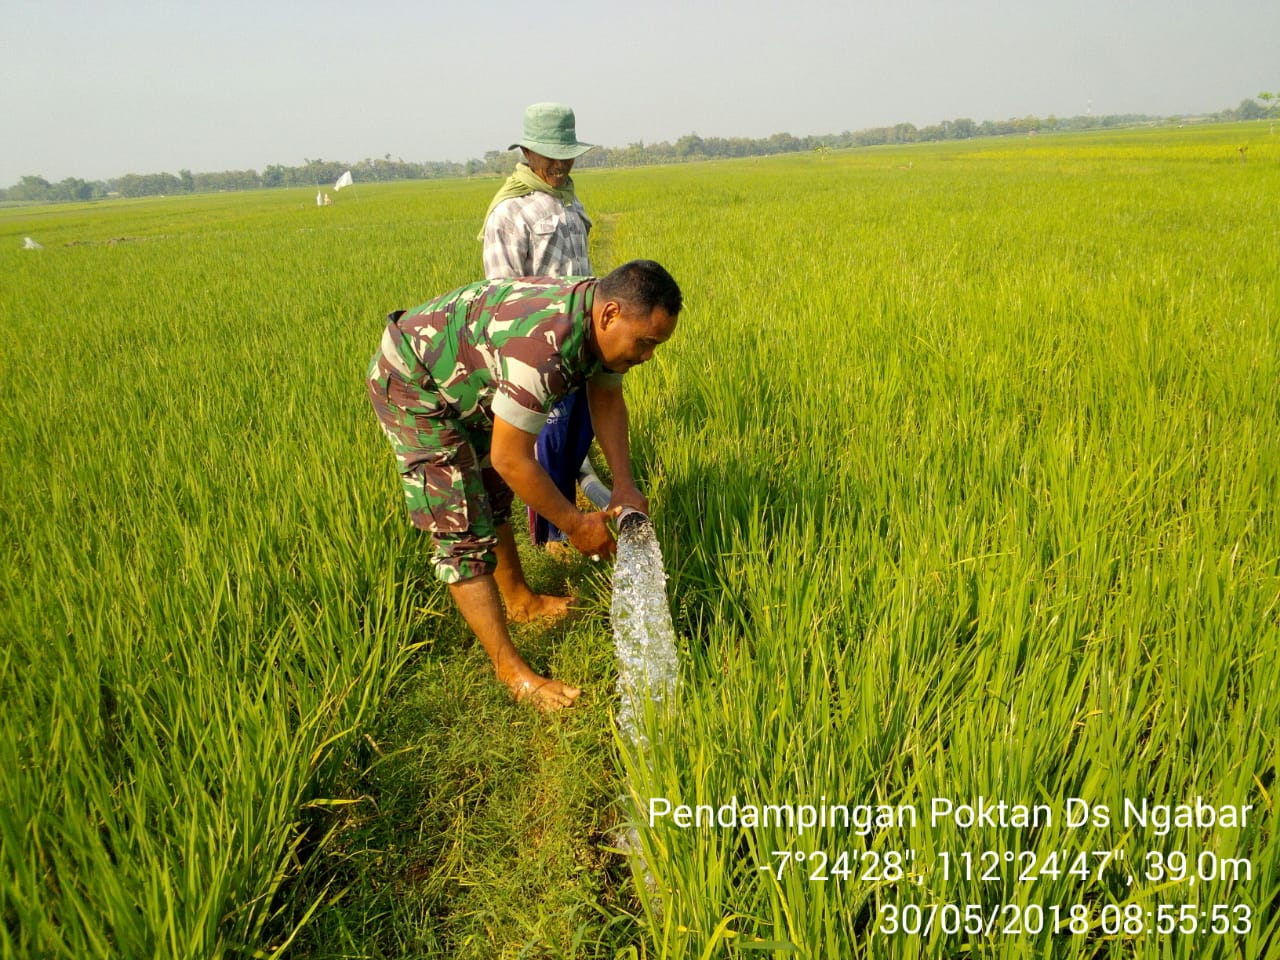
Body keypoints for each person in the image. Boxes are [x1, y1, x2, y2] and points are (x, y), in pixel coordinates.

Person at [366, 260, 683, 711]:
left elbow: (607, 397)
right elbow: (512, 458)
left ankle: (521, 600)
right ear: (611, 315)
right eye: (646, 342)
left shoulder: (600, 325)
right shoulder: (545, 349)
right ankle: (512, 672)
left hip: (471, 377)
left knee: (494, 494)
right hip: (418, 383)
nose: (649, 355)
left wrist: (625, 485)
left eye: (657, 345)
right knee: (462, 526)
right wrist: (574, 524)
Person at [480, 102, 600, 550]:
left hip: (581, 345)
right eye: (550, 154)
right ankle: (551, 538)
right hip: (540, 353)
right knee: (547, 442)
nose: (559, 163)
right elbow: (501, 295)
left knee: (575, 437)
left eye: (566, 154)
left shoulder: (569, 201)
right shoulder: (511, 213)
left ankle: (563, 522)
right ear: (528, 151)